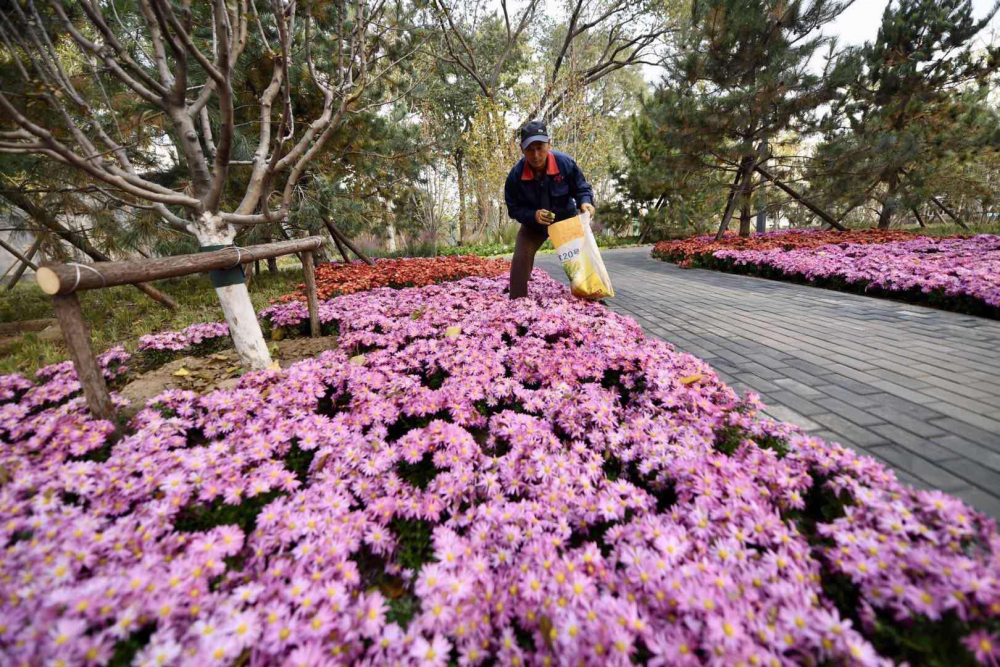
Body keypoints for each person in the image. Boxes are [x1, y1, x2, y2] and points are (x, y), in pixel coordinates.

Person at [504, 120, 595, 299]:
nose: (536, 155)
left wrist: (585, 202)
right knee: (520, 261)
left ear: (549, 144)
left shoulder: (565, 163)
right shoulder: (515, 176)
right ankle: (517, 306)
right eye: (530, 149)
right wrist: (533, 215)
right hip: (533, 226)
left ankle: (592, 302)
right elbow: (514, 209)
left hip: (566, 221)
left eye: (540, 148)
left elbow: (582, 188)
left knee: (579, 264)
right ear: (522, 148)